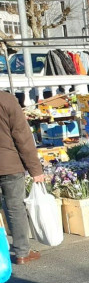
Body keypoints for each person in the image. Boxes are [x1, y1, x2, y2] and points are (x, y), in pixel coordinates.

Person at [0, 91, 44, 264]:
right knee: (15, 208)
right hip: (9, 164)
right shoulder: (7, 100)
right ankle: (22, 252)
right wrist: (35, 169)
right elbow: (22, 136)